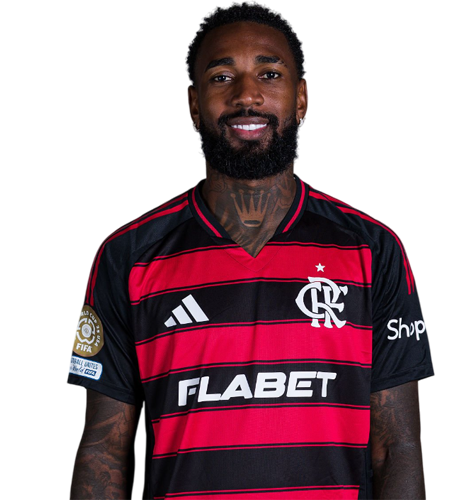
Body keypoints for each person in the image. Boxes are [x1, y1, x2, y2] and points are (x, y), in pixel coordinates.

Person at [67, 3, 434, 499]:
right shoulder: (124, 256)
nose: (246, 94)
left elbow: (397, 448)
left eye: (269, 73)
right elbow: (103, 450)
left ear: (300, 99)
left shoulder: (373, 248)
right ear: (194, 104)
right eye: (221, 77)